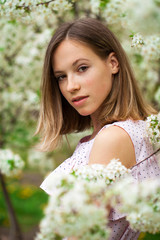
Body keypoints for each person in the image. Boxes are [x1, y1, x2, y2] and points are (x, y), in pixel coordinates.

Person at [36, 18, 160, 240]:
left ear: (113, 63)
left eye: (82, 68)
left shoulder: (113, 138)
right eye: (61, 77)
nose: (71, 86)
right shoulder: (140, 129)